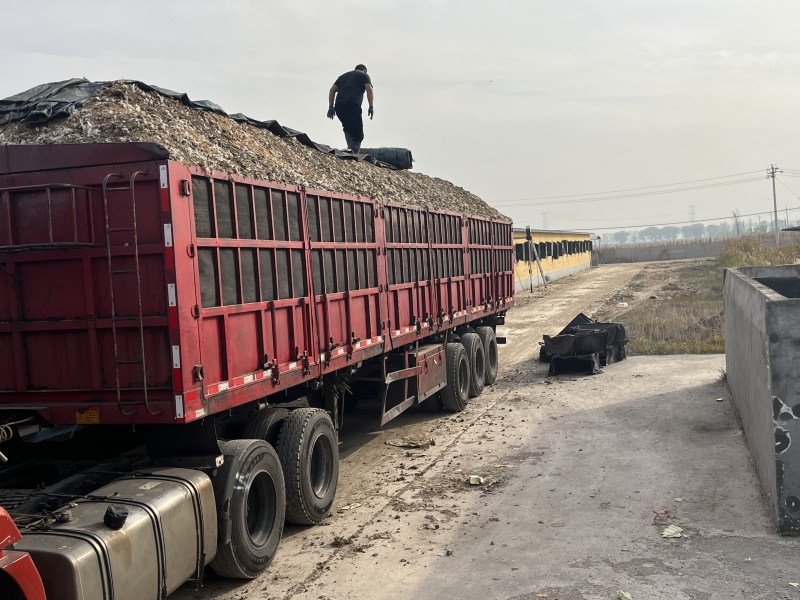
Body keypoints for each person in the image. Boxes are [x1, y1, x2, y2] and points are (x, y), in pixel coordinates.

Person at [327, 64, 374, 153]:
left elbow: (332, 90)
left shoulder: (343, 76)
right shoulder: (364, 75)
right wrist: (371, 106)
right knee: (358, 135)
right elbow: (369, 89)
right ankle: (353, 154)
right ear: (364, 70)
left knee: (348, 128)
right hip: (352, 104)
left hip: (339, 106)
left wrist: (331, 106)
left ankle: (349, 149)